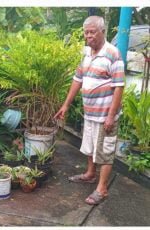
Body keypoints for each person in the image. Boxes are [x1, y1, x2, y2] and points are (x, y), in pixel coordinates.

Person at [54, 16, 125, 205]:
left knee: (104, 151)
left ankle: (102, 189)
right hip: (90, 113)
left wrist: (111, 116)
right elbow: (78, 79)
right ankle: (90, 174)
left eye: (92, 32)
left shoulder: (113, 53)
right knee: (90, 146)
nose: (89, 36)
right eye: (86, 32)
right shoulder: (86, 54)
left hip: (105, 116)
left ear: (103, 31)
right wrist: (66, 105)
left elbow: (119, 86)